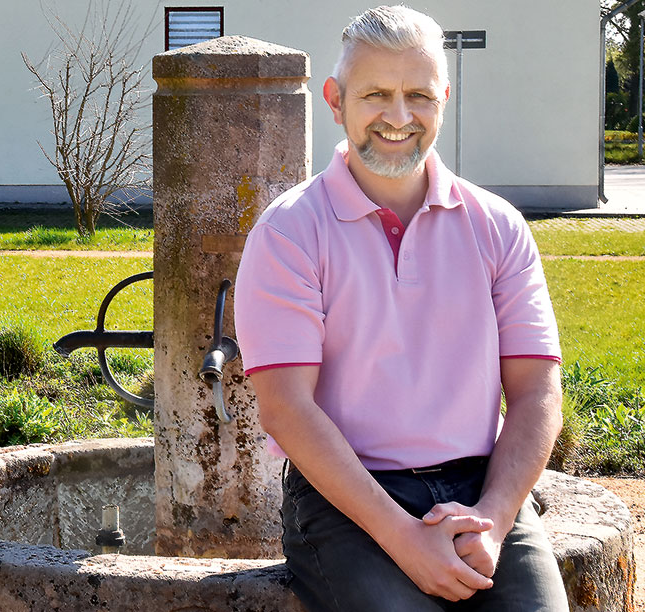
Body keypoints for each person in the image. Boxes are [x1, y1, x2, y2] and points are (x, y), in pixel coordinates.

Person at [233, 5, 569, 611]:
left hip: (481, 487)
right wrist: (403, 538)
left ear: (444, 97)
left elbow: (538, 391)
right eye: (376, 95)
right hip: (346, 498)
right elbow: (285, 408)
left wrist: (492, 517)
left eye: (418, 95)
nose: (398, 116)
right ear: (335, 100)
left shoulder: (499, 227)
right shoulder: (289, 232)